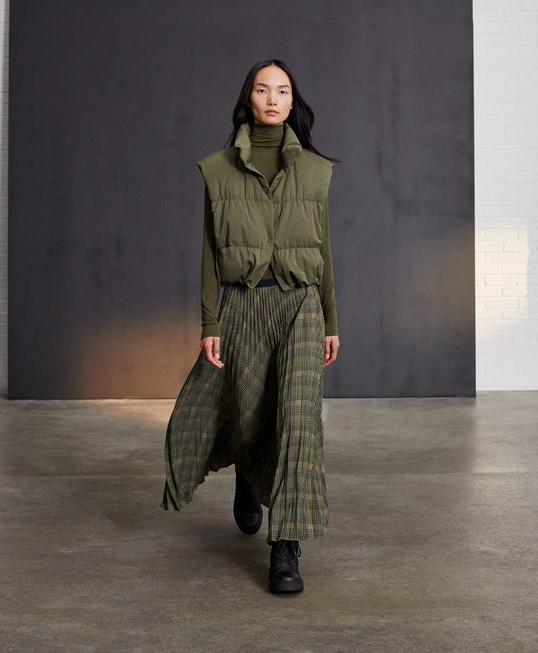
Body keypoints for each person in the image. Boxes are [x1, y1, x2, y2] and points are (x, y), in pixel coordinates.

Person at [161, 59, 340, 594]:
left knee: (299, 418)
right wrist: (210, 321)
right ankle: (246, 467)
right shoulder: (216, 170)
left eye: (282, 90)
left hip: (300, 307)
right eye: (263, 89)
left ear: (292, 102)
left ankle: (286, 547)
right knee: (244, 409)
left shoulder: (316, 170)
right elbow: (209, 255)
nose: (272, 98)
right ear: (249, 99)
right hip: (241, 305)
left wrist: (332, 319)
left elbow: (324, 251)